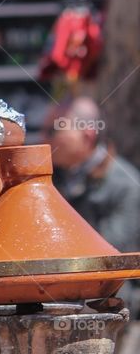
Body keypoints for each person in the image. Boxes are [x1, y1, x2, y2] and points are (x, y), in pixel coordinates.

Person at [46, 96, 140, 253]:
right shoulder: (53, 177)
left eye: (52, 131)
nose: (43, 139)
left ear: (87, 136)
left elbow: (109, 251)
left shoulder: (127, 187)